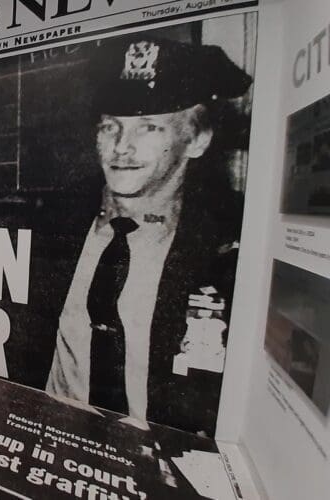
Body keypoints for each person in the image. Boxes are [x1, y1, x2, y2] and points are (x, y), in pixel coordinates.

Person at [44, 36, 253, 436]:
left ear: (196, 139)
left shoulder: (230, 245)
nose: (123, 147)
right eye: (111, 127)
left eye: (150, 127)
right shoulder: (58, 224)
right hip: (54, 444)